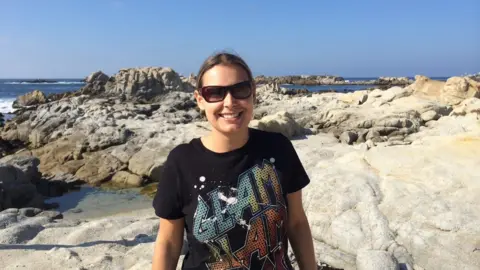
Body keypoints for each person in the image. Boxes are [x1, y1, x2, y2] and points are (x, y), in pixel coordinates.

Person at [151, 52, 316, 270]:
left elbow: (296, 223)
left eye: (240, 90)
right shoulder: (181, 161)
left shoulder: (279, 148)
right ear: (200, 100)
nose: (229, 102)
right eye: (215, 93)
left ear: (253, 94)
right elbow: (169, 244)